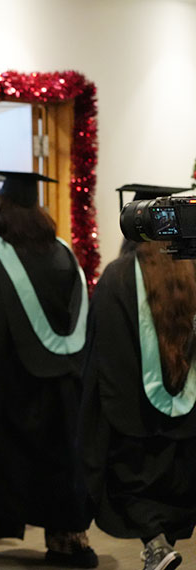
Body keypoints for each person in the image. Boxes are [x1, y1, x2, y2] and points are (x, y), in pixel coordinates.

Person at [0, 171, 98, 568]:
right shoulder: (64, 253)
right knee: (60, 459)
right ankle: (68, 541)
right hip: (61, 387)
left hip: (1, 389)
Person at [80, 185, 196, 570]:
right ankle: (162, 546)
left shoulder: (115, 278)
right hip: (186, 426)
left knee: (136, 487)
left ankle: (156, 546)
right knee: (175, 490)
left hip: (134, 424)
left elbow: (103, 356)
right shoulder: (192, 273)